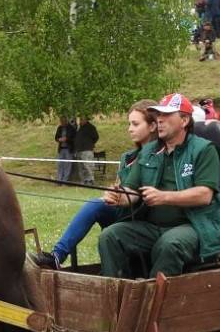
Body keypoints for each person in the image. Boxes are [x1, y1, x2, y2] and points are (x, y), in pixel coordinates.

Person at [97, 93, 220, 279]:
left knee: (169, 243)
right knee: (110, 236)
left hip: (194, 226)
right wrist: (118, 197)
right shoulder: (148, 151)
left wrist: (164, 197)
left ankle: (151, 301)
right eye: (157, 115)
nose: (159, 120)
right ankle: (116, 295)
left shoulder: (203, 149)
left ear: (184, 120)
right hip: (152, 227)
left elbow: (204, 195)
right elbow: (132, 191)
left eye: (166, 115)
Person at [35, 100, 158, 269]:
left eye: (135, 124)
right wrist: (111, 194)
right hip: (123, 212)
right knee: (95, 204)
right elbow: (119, 186)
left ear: (152, 126)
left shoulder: (161, 155)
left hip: (144, 219)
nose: (130, 129)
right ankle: (57, 255)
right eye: (129, 124)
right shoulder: (127, 157)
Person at [73, 116, 99, 184]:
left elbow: (96, 137)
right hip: (79, 150)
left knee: (88, 166)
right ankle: (84, 181)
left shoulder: (91, 127)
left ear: (86, 120)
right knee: (81, 167)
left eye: (82, 119)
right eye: (80, 119)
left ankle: (90, 180)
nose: (80, 121)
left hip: (87, 150)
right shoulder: (79, 128)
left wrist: (89, 144)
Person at [53, 115, 76, 183]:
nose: (62, 122)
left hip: (69, 149)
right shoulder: (59, 128)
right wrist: (59, 139)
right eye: (61, 121)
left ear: (66, 121)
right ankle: (59, 180)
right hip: (61, 149)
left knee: (67, 165)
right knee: (60, 164)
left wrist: (67, 139)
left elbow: (74, 139)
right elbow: (56, 137)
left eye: (63, 121)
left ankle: (65, 180)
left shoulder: (71, 128)